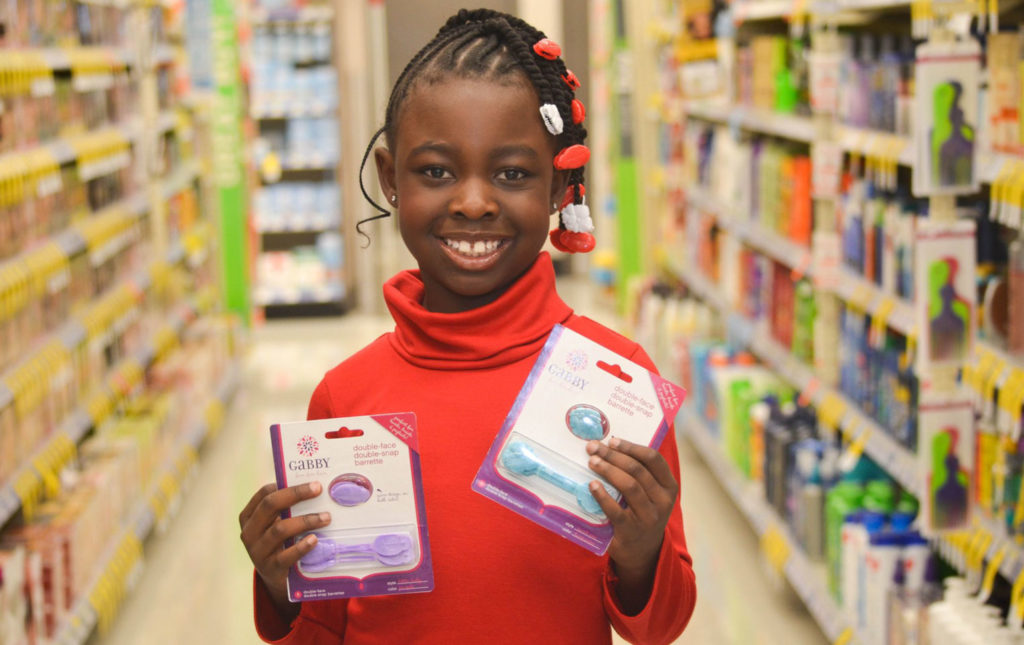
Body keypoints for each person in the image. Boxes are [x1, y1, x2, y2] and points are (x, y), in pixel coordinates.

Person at [238, 9, 697, 644]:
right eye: (436, 172)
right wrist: (279, 584)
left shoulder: (617, 380)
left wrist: (641, 552)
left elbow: (659, 627)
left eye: (512, 173)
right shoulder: (347, 397)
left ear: (562, 185)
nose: (474, 201)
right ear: (390, 178)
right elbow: (322, 630)